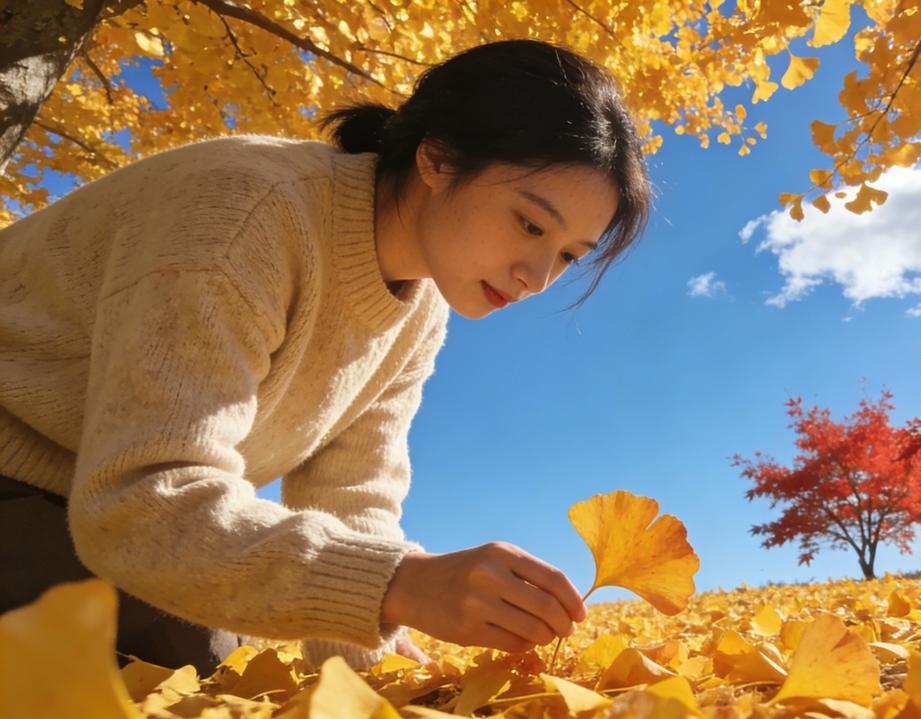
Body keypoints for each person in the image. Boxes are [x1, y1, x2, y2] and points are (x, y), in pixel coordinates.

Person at [0, 38, 652, 676]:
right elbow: (139, 499)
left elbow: (353, 492)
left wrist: (368, 673)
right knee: (150, 672)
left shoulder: (421, 310)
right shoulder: (244, 215)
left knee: (208, 666)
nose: (536, 276)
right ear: (439, 159)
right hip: (27, 478)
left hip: (105, 514)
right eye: (531, 224)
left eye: (568, 255)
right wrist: (403, 583)